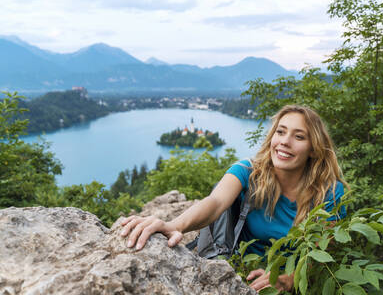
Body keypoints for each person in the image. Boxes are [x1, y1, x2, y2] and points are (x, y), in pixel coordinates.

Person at [119, 104, 348, 292]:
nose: (285, 142)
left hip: (295, 284)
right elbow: (215, 202)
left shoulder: (329, 192)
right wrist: (174, 225)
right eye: (280, 131)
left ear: (313, 149)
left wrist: (288, 278)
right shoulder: (248, 171)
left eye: (298, 136)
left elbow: (322, 255)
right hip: (242, 274)